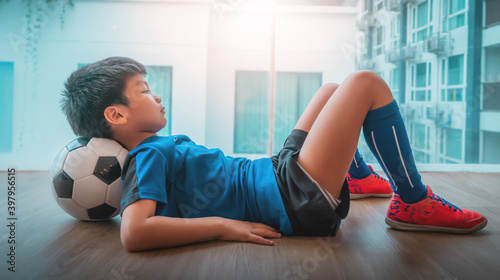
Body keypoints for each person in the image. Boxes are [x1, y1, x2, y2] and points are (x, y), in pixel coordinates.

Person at [60, 57, 487, 252]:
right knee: (365, 83)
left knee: (331, 91)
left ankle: (351, 177)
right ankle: (412, 202)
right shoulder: (146, 156)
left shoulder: (154, 148)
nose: (156, 96)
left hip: (277, 174)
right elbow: (134, 233)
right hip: (290, 197)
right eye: (144, 91)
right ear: (116, 114)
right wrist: (222, 226)